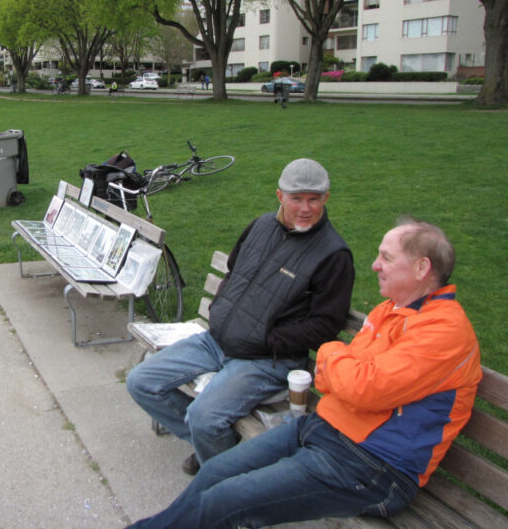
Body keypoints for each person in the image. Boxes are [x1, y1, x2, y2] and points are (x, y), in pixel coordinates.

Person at [126, 219, 482, 528]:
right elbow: (342, 380)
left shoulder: (443, 331)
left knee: (226, 500)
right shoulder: (391, 310)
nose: (375, 265)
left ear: (422, 268)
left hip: (371, 466)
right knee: (215, 473)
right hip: (322, 427)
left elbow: (361, 386)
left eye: (387, 258)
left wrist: (330, 353)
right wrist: (341, 365)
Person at [126, 159, 354, 475]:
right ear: (280, 196)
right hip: (216, 340)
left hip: (266, 360)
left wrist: (266, 338)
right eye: (296, 198)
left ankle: (222, 482)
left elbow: (325, 326)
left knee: (204, 418)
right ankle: (216, 450)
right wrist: (221, 312)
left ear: (326, 199)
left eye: (314, 199)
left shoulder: (333, 254)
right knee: (141, 381)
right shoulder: (261, 226)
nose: (305, 208)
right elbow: (234, 271)